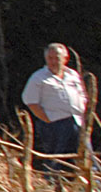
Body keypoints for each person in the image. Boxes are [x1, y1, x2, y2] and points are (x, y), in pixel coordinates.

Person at [21, 42, 87, 172]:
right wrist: (47, 119)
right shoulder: (38, 77)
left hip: (77, 122)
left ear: (65, 59)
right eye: (50, 58)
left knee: (82, 157)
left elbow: (82, 94)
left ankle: (81, 187)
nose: (53, 62)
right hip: (55, 125)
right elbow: (30, 101)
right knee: (57, 159)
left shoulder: (73, 75)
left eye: (57, 58)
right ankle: (52, 186)